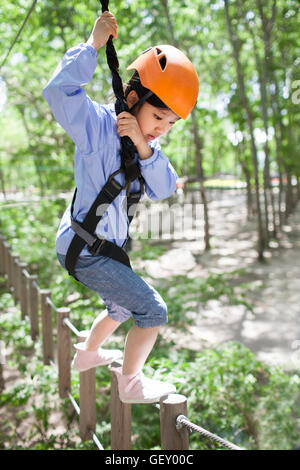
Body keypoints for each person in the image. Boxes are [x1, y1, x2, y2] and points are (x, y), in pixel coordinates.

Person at [43, 12, 199, 404]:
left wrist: (145, 147)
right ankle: (130, 385)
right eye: (157, 116)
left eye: (170, 123)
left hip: (96, 248)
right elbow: (58, 92)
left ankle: (87, 355)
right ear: (134, 99)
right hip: (84, 247)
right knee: (152, 310)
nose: (161, 128)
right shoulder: (96, 126)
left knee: (119, 307)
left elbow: (164, 187)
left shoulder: (149, 152)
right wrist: (92, 45)